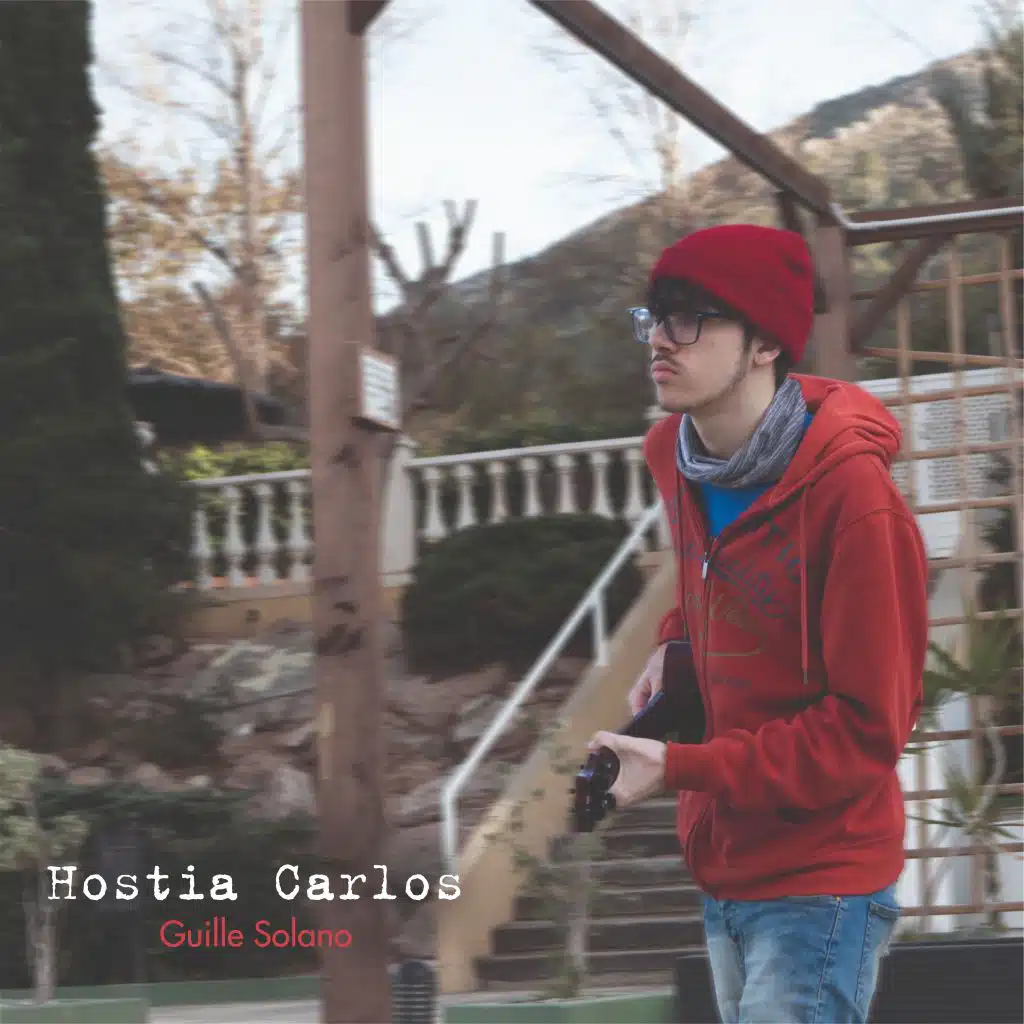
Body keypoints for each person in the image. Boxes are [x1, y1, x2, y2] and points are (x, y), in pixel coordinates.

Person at [588, 223, 929, 1024]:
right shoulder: (677, 456)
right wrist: (675, 642)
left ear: (766, 342)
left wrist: (680, 766)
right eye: (654, 318)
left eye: (689, 319)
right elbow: (713, 578)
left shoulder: (856, 503)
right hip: (726, 862)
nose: (660, 340)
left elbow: (865, 733)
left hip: (822, 876)